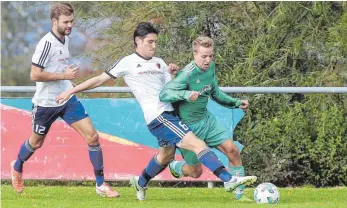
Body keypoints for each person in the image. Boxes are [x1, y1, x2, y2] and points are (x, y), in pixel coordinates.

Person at [55, 22, 256, 201]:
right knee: (197, 144)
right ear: (138, 41)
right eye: (150, 42)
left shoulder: (160, 62)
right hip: (159, 117)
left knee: (165, 158)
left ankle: (140, 181)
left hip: (170, 115)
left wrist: (173, 75)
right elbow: (99, 80)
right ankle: (228, 180)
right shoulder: (127, 62)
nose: (154, 45)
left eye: (155, 42)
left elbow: (170, 91)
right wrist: (72, 90)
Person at [10, 3, 119, 198]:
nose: (70, 25)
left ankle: (101, 185)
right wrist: (64, 75)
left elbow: (58, 66)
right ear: (54, 21)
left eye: (71, 21)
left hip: (67, 98)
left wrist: (66, 76)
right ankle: (17, 167)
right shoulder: (46, 44)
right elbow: (35, 75)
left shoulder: (65, 39)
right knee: (35, 144)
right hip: (45, 104)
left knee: (93, 137)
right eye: (65, 22)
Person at [160, 36, 257, 201]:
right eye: (204, 56)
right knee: (196, 172)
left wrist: (235, 102)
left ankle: (239, 196)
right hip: (189, 129)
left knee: (233, 150)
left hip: (207, 121)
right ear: (194, 54)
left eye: (211, 56)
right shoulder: (186, 74)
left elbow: (215, 93)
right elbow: (164, 94)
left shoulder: (211, 68)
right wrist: (186, 94)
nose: (208, 60)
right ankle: (176, 167)